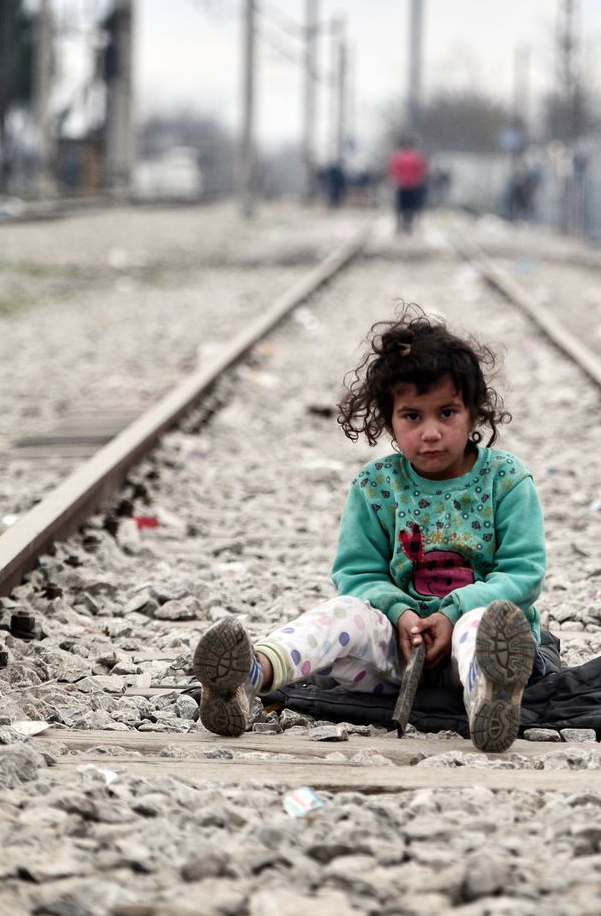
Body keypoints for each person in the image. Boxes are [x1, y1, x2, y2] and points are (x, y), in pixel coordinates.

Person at [192, 307, 547, 752]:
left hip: (470, 654)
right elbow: (358, 575)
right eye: (412, 416)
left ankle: (490, 700)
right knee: (340, 612)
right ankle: (247, 679)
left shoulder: (507, 481)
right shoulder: (377, 486)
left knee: (484, 623)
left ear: (475, 413)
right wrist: (399, 614)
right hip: (394, 656)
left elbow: (523, 574)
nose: (431, 432)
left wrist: (453, 612)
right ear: (388, 420)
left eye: (448, 413)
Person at [387, 136, 428, 234]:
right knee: (412, 206)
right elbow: (422, 171)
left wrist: (396, 179)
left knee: (400, 206)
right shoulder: (417, 157)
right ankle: (409, 224)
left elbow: (392, 170)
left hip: (401, 185)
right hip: (413, 186)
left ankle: (399, 225)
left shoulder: (397, 157)